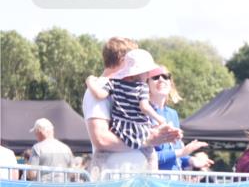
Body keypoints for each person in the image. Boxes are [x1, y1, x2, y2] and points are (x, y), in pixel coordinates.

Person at [84, 38, 180, 179]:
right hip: (115, 180)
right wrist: (147, 139)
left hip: (131, 179)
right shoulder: (101, 86)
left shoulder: (123, 85)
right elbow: (101, 139)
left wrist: (159, 133)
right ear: (123, 60)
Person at [147, 66, 211, 171]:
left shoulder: (173, 114)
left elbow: (177, 152)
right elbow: (146, 157)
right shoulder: (143, 113)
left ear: (170, 83)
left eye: (165, 76)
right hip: (154, 180)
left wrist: (192, 160)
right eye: (155, 77)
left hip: (176, 179)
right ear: (146, 84)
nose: (161, 79)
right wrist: (182, 152)